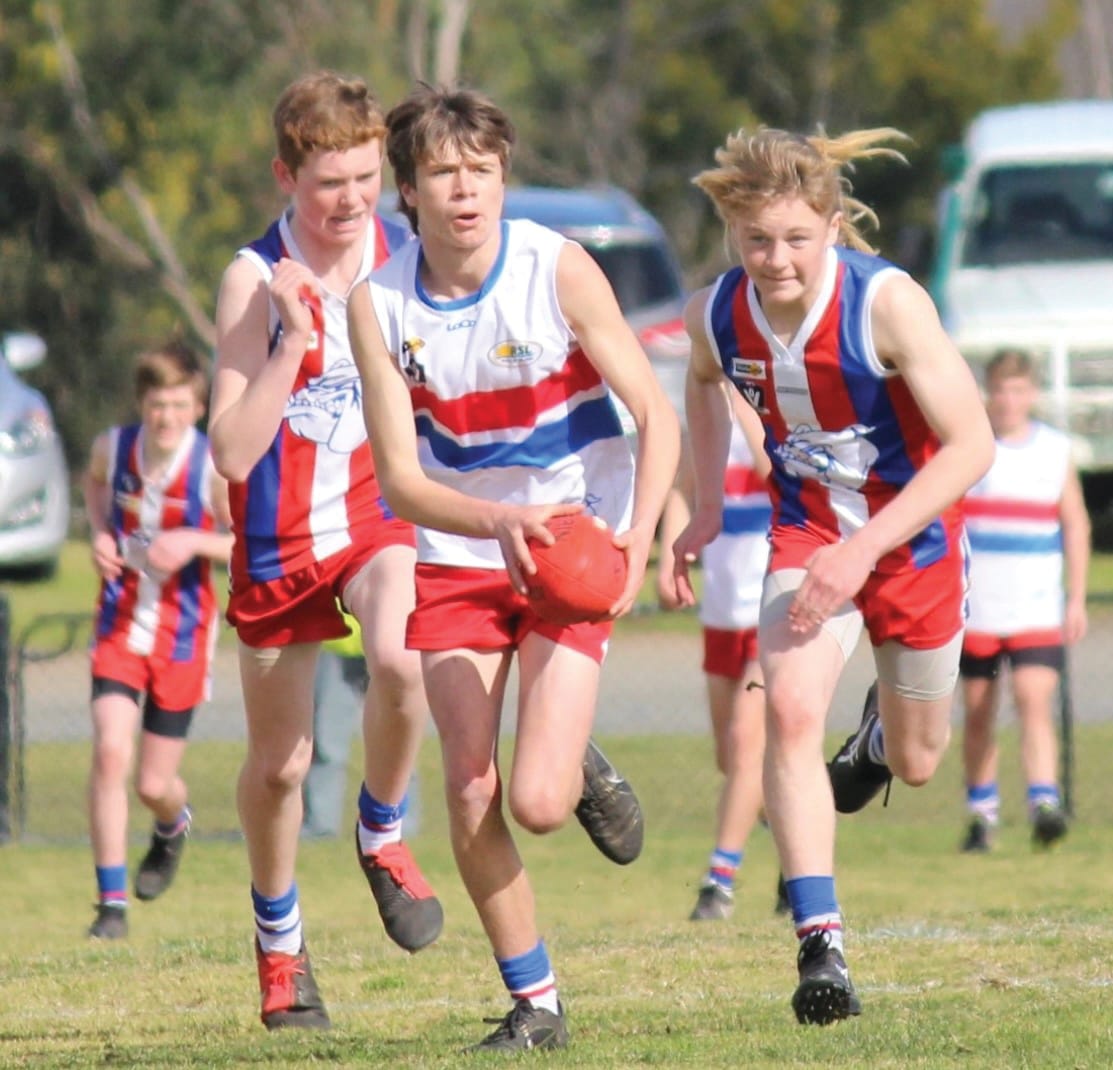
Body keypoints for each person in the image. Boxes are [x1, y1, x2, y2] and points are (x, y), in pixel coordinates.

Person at [349, 84, 680, 1052]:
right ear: (405, 190)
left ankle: (569, 757)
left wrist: (638, 540)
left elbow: (655, 417)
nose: (466, 189)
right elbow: (403, 482)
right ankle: (536, 1001)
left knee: (536, 800)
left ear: (503, 178)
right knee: (467, 790)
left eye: (482, 170)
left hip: (575, 544)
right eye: (444, 172)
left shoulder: (559, 268)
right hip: (461, 546)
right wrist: (495, 517)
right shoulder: (378, 302)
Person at [670, 125, 995, 1025]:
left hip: (912, 541)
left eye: (795, 239)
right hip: (806, 532)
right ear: (732, 232)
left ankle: (877, 747)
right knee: (786, 707)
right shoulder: (717, 311)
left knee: (921, 761)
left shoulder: (887, 303)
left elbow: (971, 446)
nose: (775, 260)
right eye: (755, 240)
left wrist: (865, 549)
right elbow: (700, 380)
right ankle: (821, 947)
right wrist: (700, 504)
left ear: (830, 225)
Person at [209, 71, 441, 1031]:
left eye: (364, 178)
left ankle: (381, 832)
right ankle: (279, 946)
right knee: (280, 768)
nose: (350, 202)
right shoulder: (252, 276)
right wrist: (288, 339)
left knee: (401, 659)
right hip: (276, 540)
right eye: (327, 185)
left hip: (376, 515)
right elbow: (229, 449)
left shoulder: (408, 256)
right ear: (285, 178)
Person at [83, 340, 233, 940]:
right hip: (119, 624)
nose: (165, 417)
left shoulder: (210, 468)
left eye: (177, 404)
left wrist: (194, 544)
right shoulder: (112, 448)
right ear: (141, 405)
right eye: (155, 405)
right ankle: (110, 906)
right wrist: (98, 534)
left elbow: (245, 544)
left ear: (197, 407)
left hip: (183, 636)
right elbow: (96, 490)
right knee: (110, 752)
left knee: (152, 784)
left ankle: (173, 824)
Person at [958, 349, 1090, 853]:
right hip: (978, 609)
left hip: (1034, 605)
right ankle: (981, 813)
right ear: (988, 393)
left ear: (1031, 394)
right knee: (978, 711)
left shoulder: (1054, 451)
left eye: (1018, 390)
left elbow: (1075, 522)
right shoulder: (972, 449)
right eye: (1000, 390)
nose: (1008, 401)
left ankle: (1044, 803)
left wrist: (1075, 597)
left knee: (1034, 700)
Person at [656, 386, 780, 921]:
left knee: (747, 746)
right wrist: (668, 558)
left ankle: (718, 882)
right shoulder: (703, 417)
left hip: (772, 610)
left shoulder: (768, 412)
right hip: (721, 613)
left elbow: (773, 472)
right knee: (732, 761)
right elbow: (681, 488)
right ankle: (798, 854)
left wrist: (747, 407)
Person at [301, 613, 419, 841]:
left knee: (399, 741)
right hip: (333, 636)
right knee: (326, 740)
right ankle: (320, 825)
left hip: (390, 638)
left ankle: (402, 823)